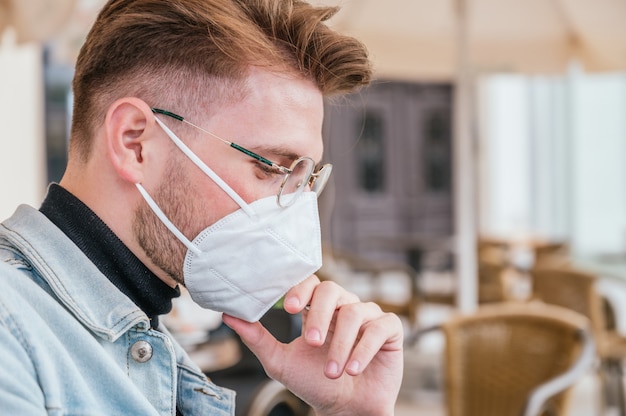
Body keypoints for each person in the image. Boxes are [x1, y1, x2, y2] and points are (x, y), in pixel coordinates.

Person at [0, 0, 404, 415]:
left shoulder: (146, 339)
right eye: (270, 168)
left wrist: (350, 410)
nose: (296, 214)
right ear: (134, 143)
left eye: (304, 181)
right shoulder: (11, 334)